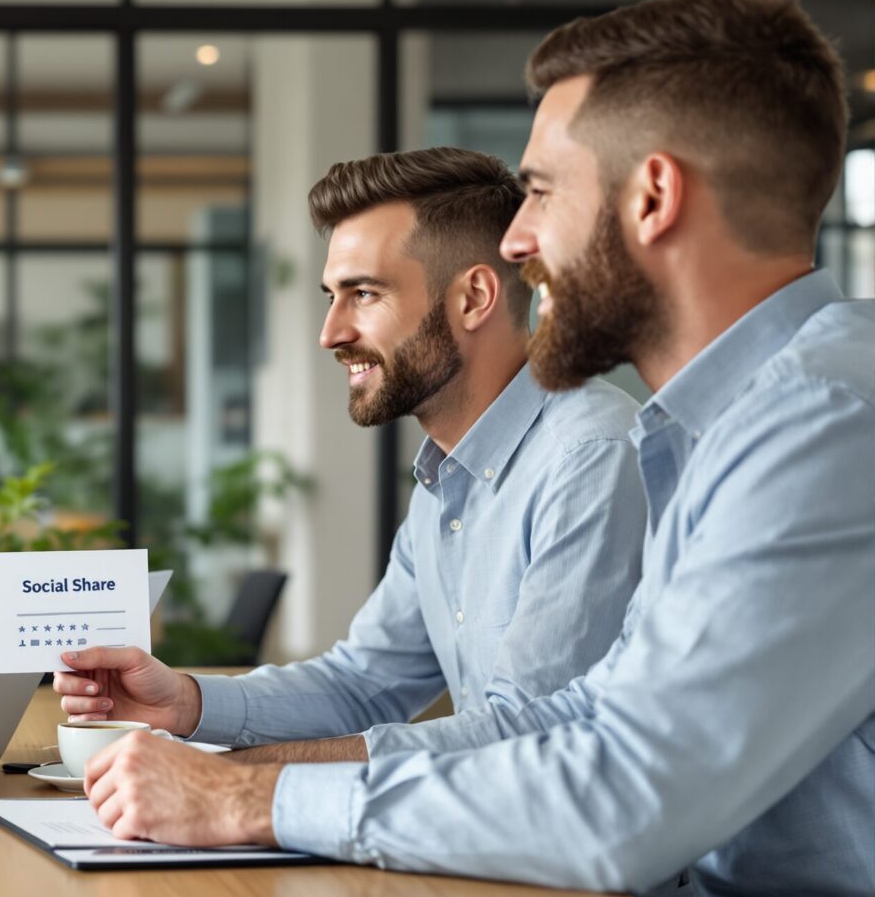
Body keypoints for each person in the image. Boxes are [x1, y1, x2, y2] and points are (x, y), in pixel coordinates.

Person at [72, 0, 875, 897]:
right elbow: (587, 719)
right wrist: (205, 724)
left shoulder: (824, 422)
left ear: (653, 197)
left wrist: (249, 798)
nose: (520, 240)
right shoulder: (720, 426)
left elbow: (621, 794)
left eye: (540, 191)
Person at [57, 147, 644, 765]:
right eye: (331, 296)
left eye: (363, 293)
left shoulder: (590, 458)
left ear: (474, 297)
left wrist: (239, 780)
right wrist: (184, 703)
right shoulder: (447, 480)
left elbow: (528, 741)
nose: (331, 332)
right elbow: (364, 683)